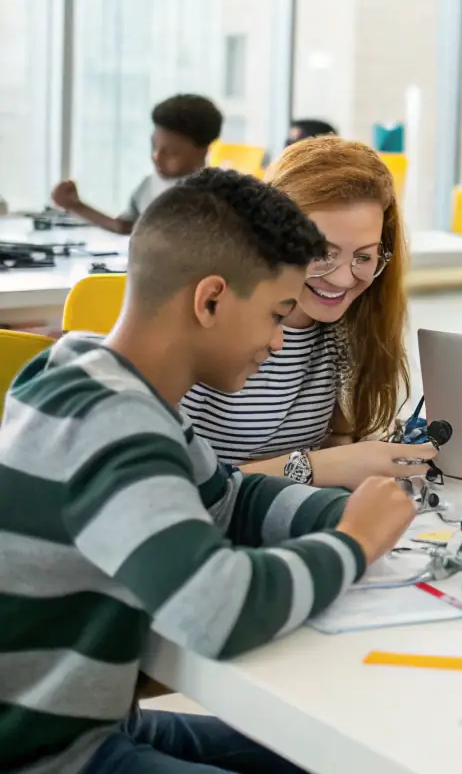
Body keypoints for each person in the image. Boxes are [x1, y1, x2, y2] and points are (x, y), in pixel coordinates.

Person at [0, 168, 416, 774]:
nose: (279, 342)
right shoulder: (114, 426)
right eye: (277, 314)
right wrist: (354, 543)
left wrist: (344, 510)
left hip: (92, 721)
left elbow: (230, 497)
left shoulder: (91, 375)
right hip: (42, 753)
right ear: (212, 299)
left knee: (338, 756)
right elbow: (216, 611)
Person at [181, 136, 430, 487]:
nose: (344, 278)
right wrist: (315, 467)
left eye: (363, 257)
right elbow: (170, 485)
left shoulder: (346, 329)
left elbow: (337, 446)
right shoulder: (207, 325)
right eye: (321, 253)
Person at [51, 93, 223, 235]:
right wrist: (75, 205)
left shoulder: (211, 195)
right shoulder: (149, 186)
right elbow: (126, 226)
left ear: (203, 150)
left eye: (171, 152)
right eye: (154, 146)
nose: (156, 157)